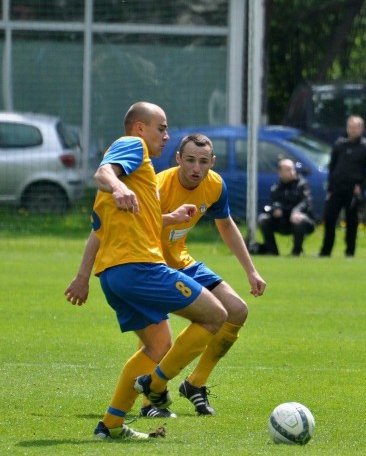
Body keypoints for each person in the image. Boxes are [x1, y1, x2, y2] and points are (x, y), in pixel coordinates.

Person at [67, 132, 266, 418]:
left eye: (202, 161)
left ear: (212, 161)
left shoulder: (215, 185)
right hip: (148, 263)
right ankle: (150, 402)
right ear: (178, 159)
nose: (196, 168)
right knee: (159, 335)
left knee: (236, 310)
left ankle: (195, 384)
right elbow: (105, 227)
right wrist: (82, 275)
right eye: (190, 160)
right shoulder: (157, 186)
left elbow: (226, 226)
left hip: (182, 261)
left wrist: (251, 270)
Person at [65, 102, 227, 440]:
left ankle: (110, 426)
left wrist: (168, 217)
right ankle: (154, 385)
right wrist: (118, 185)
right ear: (140, 127)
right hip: (140, 268)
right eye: (161, 128)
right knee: (216, 315)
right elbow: (103, 172)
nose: (167, 135)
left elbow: (101, 228)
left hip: (113, 276)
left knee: (157, 346)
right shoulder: (132, 147)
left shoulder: (142, 176)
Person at [318, 115, 366, 257]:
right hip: (337, 188)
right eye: (350, 127)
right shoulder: (339, 144)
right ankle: (326, 251)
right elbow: (332, 167)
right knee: (329, 218)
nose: (352, 130)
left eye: (355, 127)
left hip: (353, 190)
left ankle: (350, 251)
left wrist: (361, 187)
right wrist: (330, 188)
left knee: (352, 221)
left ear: (361, 129)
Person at [255, 158, 316, 257]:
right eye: (287, 170)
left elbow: (306, 202)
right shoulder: (276, 188)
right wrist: (275, 210)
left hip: (302, 221)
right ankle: (272, 252)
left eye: (292, 169)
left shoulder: (302, 185)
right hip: (283, 222)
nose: (292, 172)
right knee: (263, 219)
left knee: (299, 220)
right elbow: (273, 203)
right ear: (280, 172)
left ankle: (296, 252)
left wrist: (296, 212)